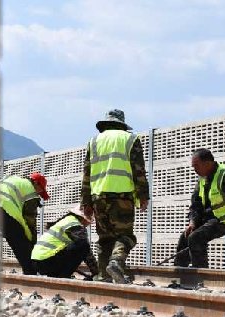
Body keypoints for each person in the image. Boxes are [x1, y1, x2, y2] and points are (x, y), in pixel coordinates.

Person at [81, 109, 149, 283]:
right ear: (121, 124)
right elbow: (138, 169)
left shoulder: (93, 142)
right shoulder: (130, 139)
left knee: (105, 239)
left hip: (98, 197)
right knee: (126, 236)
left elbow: (87, 175)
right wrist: (143, 195)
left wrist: (86, 202)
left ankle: (103, 276)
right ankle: (116, 262)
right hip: (122, 195)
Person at [175, 148, 225, 268]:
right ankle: (179, 272)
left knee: (196, 238)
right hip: (210, 219)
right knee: (185, 237)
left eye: (196, 166)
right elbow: (196, 204)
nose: (195, 170)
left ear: (208, 163)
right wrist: (192, 222)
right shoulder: (202, 179)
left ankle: (200, 275)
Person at [0, 172, 50, 274]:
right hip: (5, 210)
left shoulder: (14, 180)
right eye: (40, 190)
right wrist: (32, 243)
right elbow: (30, 221)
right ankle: (31, 274)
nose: (39, 194)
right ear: (35, 183)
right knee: (22, 244)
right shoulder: (30, 190)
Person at [31, 206, 99, 279]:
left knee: (78, 246)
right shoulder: (74, 224)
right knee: (83, 245)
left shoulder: (67, 221)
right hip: (46, 262)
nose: (88, 224)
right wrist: (96, 272)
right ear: (84, 218)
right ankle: (63, 276)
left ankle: (58, 274)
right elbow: (86, 250)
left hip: (38, 262)